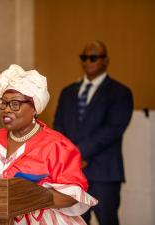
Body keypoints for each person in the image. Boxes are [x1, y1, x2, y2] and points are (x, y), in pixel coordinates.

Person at [0, 64, 97, 225]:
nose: (6, 110)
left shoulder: (56, 145)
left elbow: (71, 196)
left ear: (34, 108)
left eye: (15, 104)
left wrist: (32, 196)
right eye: (3, 103)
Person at [53, 41, 133, 225]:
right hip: (71, 173)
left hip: (103, 171)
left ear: (105, 61)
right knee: (74, 221)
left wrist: (78, 154)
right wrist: (72, 158)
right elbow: (59, 128)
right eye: (84, 57)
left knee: (107, 220)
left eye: (93, 57)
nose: (88, 61)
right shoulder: (67, 92)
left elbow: (112, 130)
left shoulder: (120, 92)